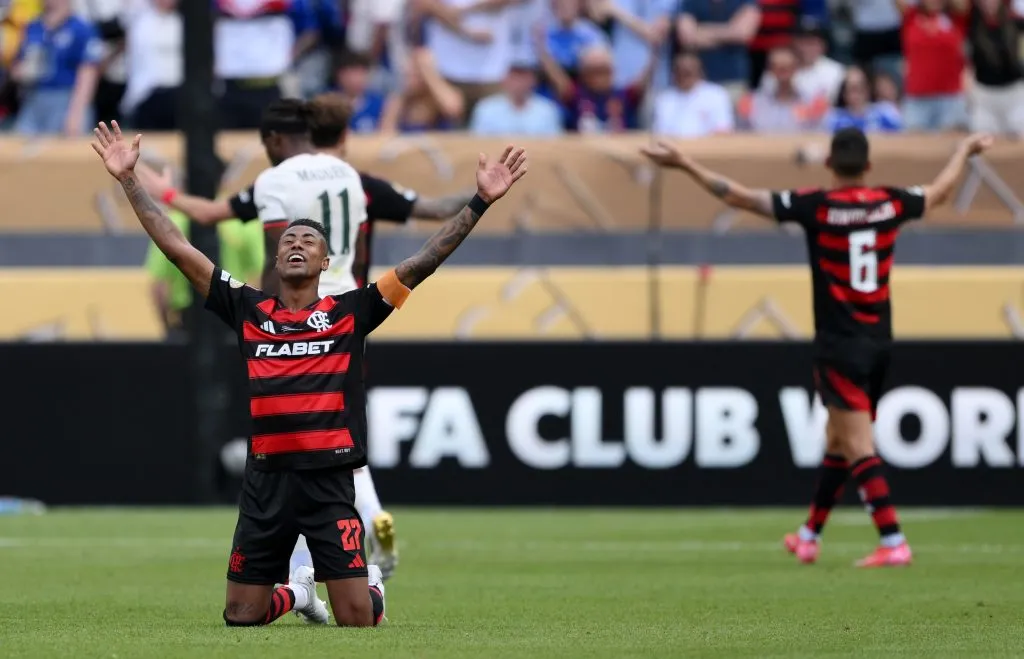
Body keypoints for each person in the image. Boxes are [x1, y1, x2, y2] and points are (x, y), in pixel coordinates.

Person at [91, 118, 527, 625]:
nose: (297, 243)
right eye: (289, 240)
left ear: (326, 261)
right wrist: (128, 180)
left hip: (327, 484)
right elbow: (177, 248)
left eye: (309, 241)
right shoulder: (248, 309)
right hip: (266, 483)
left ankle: (371, 585)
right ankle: (299, 594)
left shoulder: (353, 311)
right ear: (276, 260)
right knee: (240, 616)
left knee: (358, 620)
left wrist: (479, 204)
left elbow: (425, 260)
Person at [132, 93, 475, 580]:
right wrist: (483, 197)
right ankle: (358, 530)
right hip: (351, 313)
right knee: (340, 438)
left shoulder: (275, 181)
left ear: (272, 140)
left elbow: (210, 222)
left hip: (296, 315)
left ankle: (309, 566)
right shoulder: (353, 178)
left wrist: (271, 320)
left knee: (292, 442)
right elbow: (433, 219)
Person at [640, 128, 994, 567]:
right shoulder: (891, 202)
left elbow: (742, 198)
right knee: (837, 438)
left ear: (829, 164)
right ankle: (810, 535)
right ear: (867, 166)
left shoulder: (817, 207)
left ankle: (892, 540)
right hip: (880, 342)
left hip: (839, 344)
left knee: (858, 443)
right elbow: (940, 192)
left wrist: (685, 165)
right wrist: (963, 150)